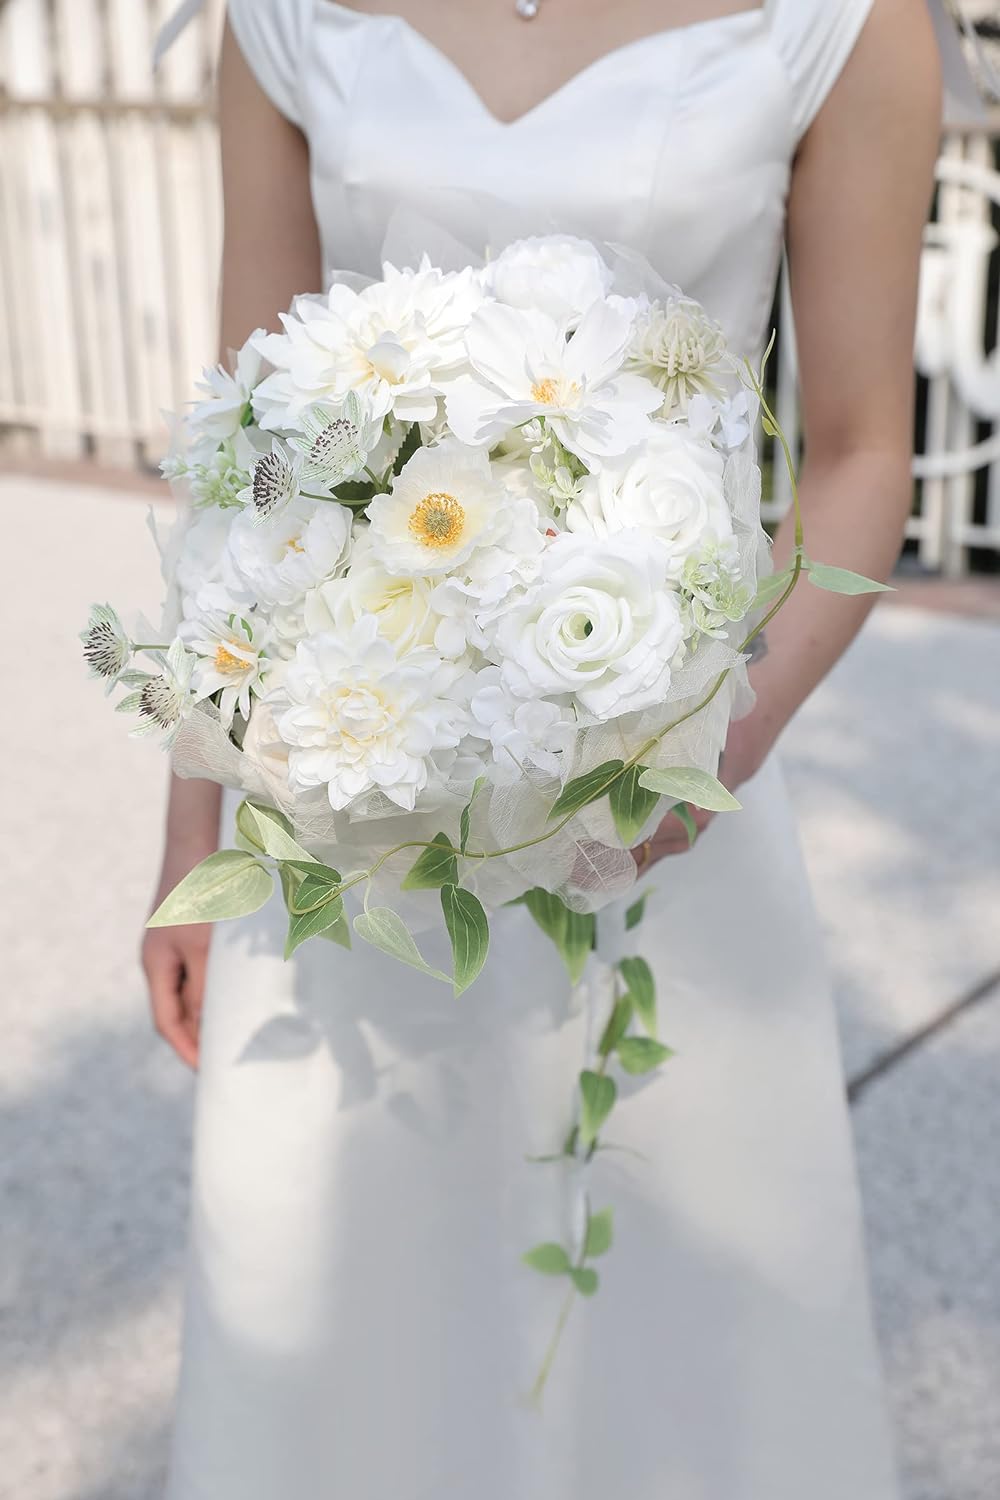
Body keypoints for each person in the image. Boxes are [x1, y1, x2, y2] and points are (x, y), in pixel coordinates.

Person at [145, 2, 943, 1495]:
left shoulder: (848, 23)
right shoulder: (277, 20)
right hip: (344, 786)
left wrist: (696, 755)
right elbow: (249, 452)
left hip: (667, 786)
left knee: (672, 1316)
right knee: (332, 1290)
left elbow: (856, 451)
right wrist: (194, 825)